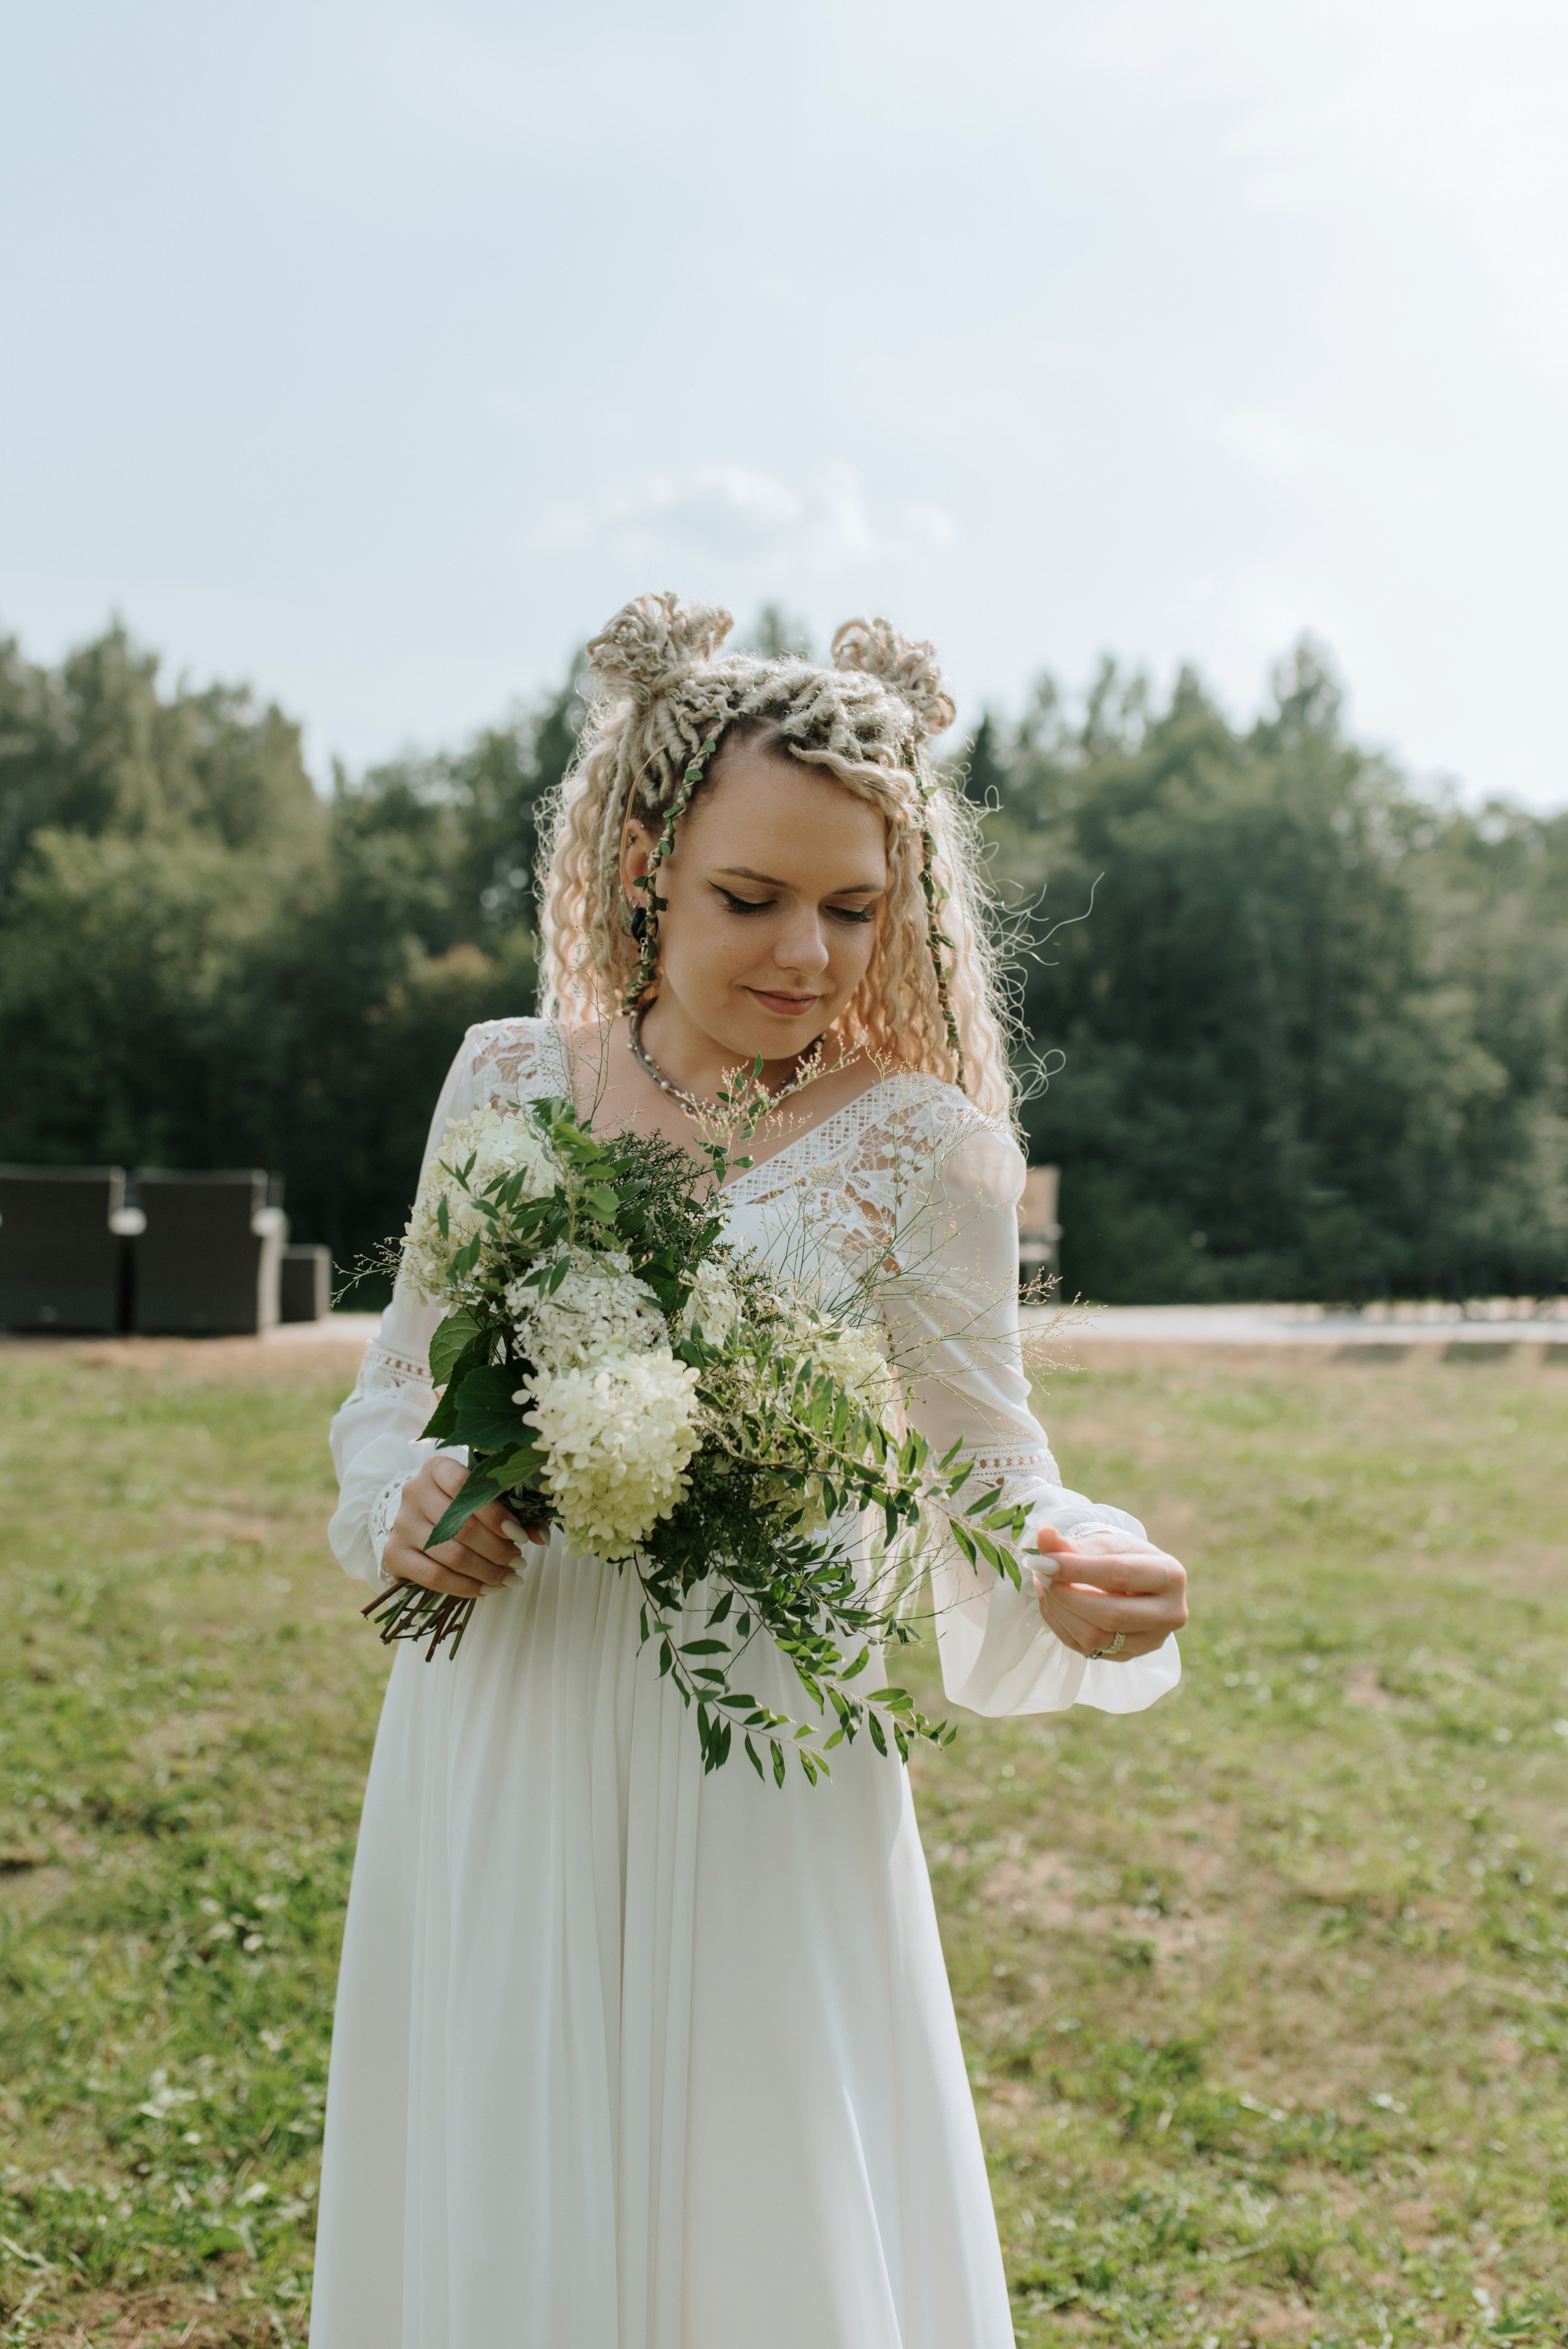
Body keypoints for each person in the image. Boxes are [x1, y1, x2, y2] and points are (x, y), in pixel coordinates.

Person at [312, 594, 1188, 2349]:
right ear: (644, 858)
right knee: (510, 2166)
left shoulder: (927, 1151)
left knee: (757, 2183)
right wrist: (409, 1504)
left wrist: (1077, 1559)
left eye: (855, 908)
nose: (808, 948)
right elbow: (395, 1389)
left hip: (756, 1757)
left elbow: (988, 1461)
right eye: (752, 896)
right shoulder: (502, 1082)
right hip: (513, 1729)